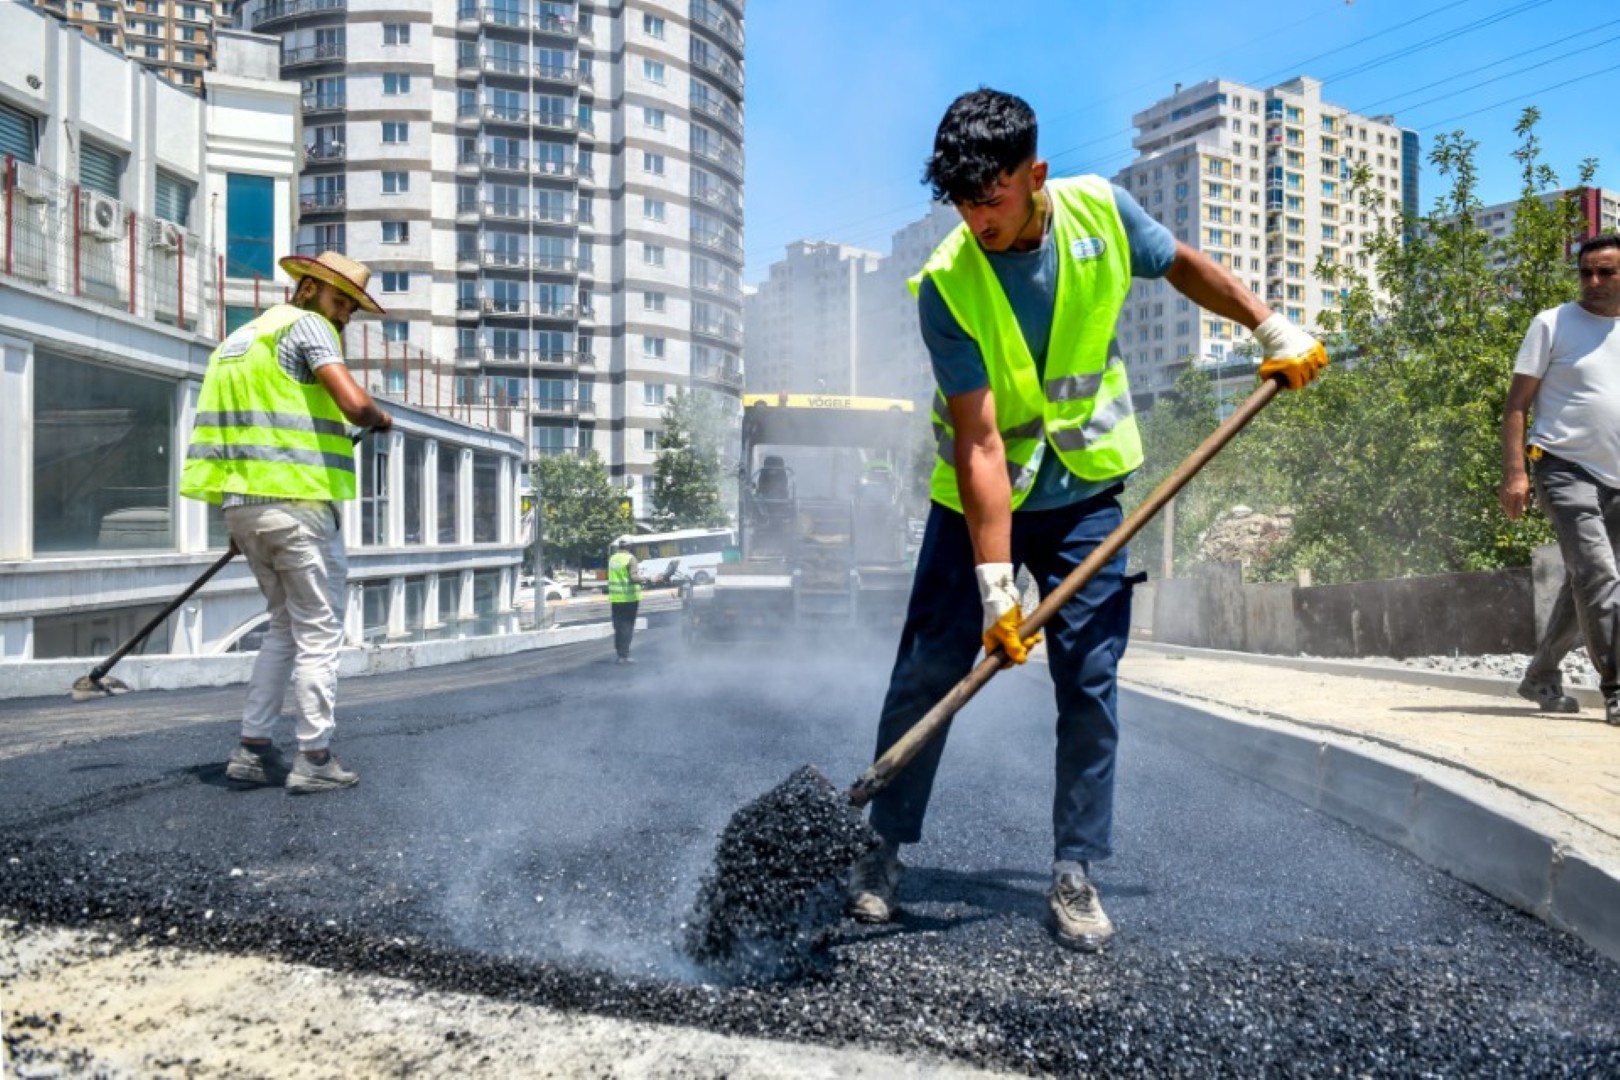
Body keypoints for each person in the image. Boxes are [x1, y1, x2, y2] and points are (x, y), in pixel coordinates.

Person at [844, 89, 1327, 951]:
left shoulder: (1102, 212)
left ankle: (1073, 869)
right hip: (976, 506)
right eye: (959, 201)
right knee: (926, 674)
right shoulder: (946, 286)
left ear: (1036, 175)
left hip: (1085, 496)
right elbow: (982, 441)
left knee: (1091, 683)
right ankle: (882, 849)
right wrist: (998, 592)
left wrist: (1270, 324)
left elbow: (1177, 261)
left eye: (989, 198)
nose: (975, 218)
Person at [180, 250, 393, 793]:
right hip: (296, 504)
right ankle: (315, 757)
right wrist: (378, 416)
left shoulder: (236, 342)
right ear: (306, 289)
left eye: (351, 307)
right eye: (340, 300)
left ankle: (253, 749)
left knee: (282, 626)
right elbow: (352, 404)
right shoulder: (310, 329)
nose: (345, 315)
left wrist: (244, 510)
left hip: (243, 504)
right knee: (319, 630)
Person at [1500, 233, 1620, 726]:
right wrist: (1515, 473)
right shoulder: (1553, 324)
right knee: (1600, 577)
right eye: (1586, 272)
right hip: (1565, 468)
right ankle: (1616, 690)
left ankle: (1541, 675)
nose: (1593, 282)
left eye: (1605, 272)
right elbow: (1516, 405)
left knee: (1585, 584)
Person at [608, 538, 656, 663]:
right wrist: (648, 578)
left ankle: (619, 652)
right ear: (630, 547)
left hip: (615, 598)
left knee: (618, 627)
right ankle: (624, 656)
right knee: (627, 627)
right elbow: (634, 577)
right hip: (629, 598)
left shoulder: (612, 559)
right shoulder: (630, 558)